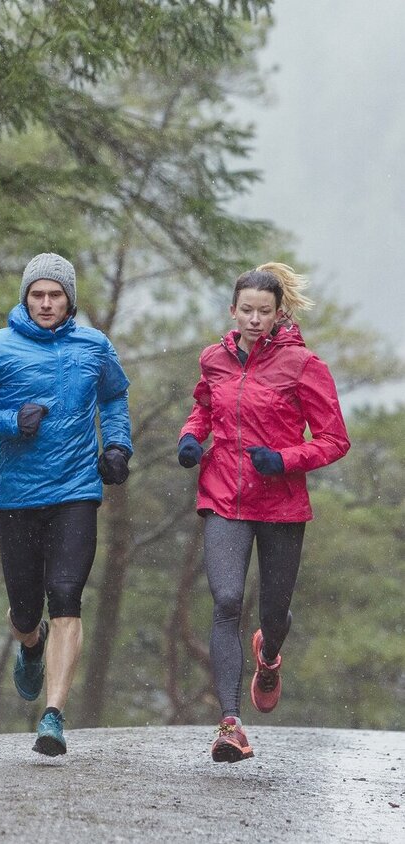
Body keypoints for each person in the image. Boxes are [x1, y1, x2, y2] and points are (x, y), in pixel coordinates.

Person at [0, 252, 132, 756]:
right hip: (18, 495)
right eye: (37, 294)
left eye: (56, 294)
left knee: (66, 592)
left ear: (70, 299)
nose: (46, 303)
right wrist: (6, 422)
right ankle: (30, 643)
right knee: (26, 608)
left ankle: (53, 716)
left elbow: (114, 398)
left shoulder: (94, 345)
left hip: (77, 491)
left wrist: (116, 447)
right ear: (25, 298)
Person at [177, 262, 349, 763]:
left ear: (278, 315)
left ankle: (268, 653)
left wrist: (284, 459)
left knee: (273, 613)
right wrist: (191, 438)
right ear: (233, 311)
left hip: (280, 504)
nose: (254, 319)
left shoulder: (303, 365)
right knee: (226, 600)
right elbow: (205, 408)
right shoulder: (214, 359)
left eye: (264, 312)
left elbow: (336, 440)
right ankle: (230, 724)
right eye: (246, 310)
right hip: (224, 496)